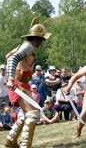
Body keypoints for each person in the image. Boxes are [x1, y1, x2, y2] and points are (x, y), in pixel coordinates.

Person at [4, 17, 51, 148]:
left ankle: (10, 141)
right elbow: (12, 58)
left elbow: (8, 56)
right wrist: (11, 79)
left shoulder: (25, 46)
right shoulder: (29, 46)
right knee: (33, 113)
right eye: (42, 40)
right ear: (38, 39)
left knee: (25, 114)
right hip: (18, 84)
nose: (42, 43)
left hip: (22, 83)